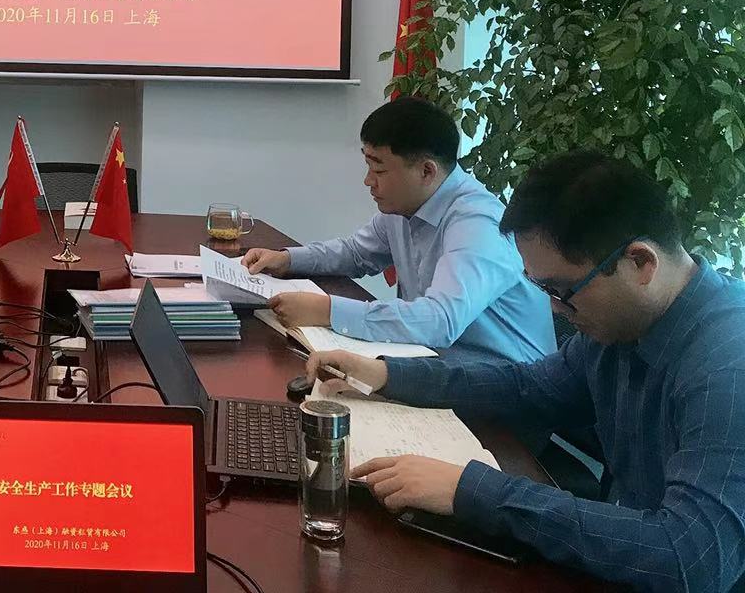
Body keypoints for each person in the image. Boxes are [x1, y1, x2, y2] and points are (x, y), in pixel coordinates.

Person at [306, 151, 745, 593]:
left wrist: (473, 491)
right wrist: (387, 375)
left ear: (640, 263)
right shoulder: (621, 326)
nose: (553, 308)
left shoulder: (727, 366)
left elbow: (691, 558)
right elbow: (528, 387)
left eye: (561, 289)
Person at [243, 97, 553, 365]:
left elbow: (440, 320)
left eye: (379, 170)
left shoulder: (478, 223)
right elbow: (356, 253)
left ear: (426, 171)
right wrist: (287, 259)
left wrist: (328, 311)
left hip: (508, 384)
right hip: (439, 365)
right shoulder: (405, 206)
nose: (368, 181)